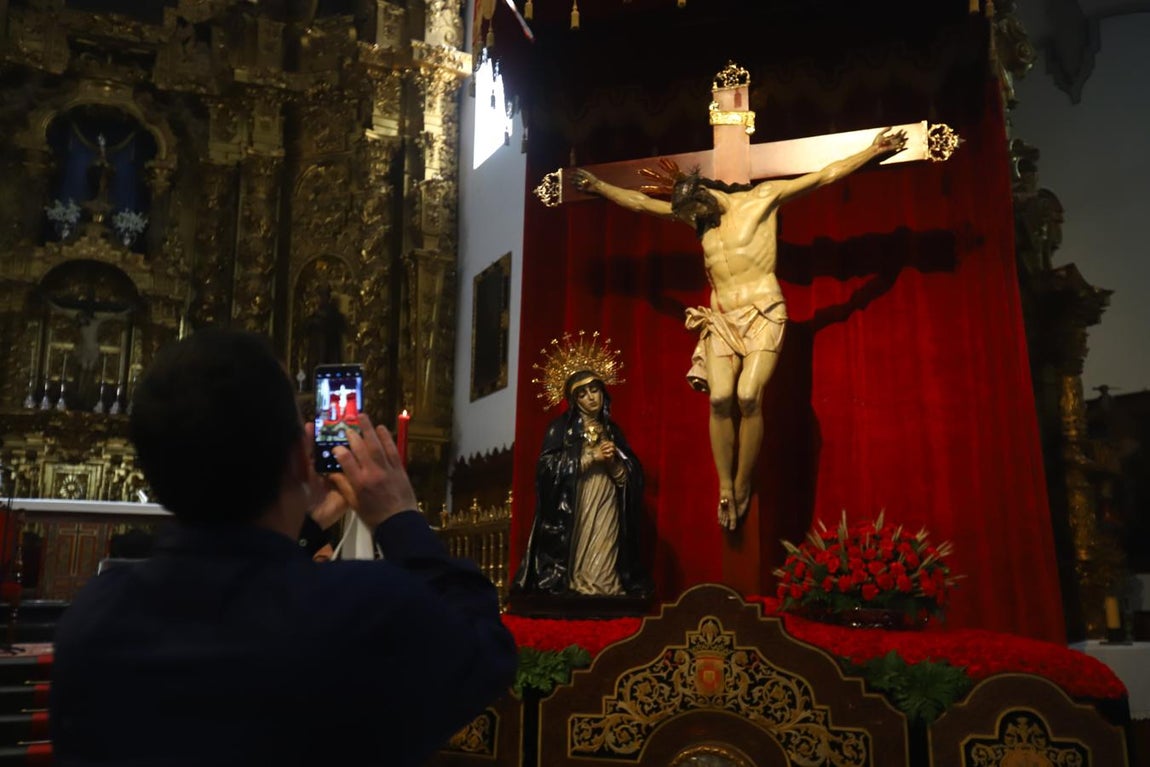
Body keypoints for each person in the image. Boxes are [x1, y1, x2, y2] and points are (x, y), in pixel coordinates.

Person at [49, 329, 516, 767]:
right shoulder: (365, 610)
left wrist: (307, 523)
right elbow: (484, 654)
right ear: (299, 456)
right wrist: (398, 516)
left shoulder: (93, 620)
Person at [573, 127, 907, 530]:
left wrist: (872, 151)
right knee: (719, 400)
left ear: (707, 196)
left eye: (696, 214)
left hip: (763, 310)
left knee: (749, 395)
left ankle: (744, 482)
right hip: (722, 320)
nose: (692, 223)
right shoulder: (698, 220)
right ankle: (726, 485)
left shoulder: (761, 200)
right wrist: (600, 187)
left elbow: (825, 175)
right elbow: (642, 204)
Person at [512, 363, 652, 600]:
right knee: (580, 548)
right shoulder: (560, 429)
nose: (590, 398)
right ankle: (578, 587)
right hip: (576, 501)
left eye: (594, 390)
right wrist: (588, 458)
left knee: (605, 545)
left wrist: (613, 463)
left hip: (607, 500)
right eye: (582, 394)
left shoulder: (613, 431)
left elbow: (629, 479)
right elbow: (545, 471)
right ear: (574, 400)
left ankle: (605, 591)